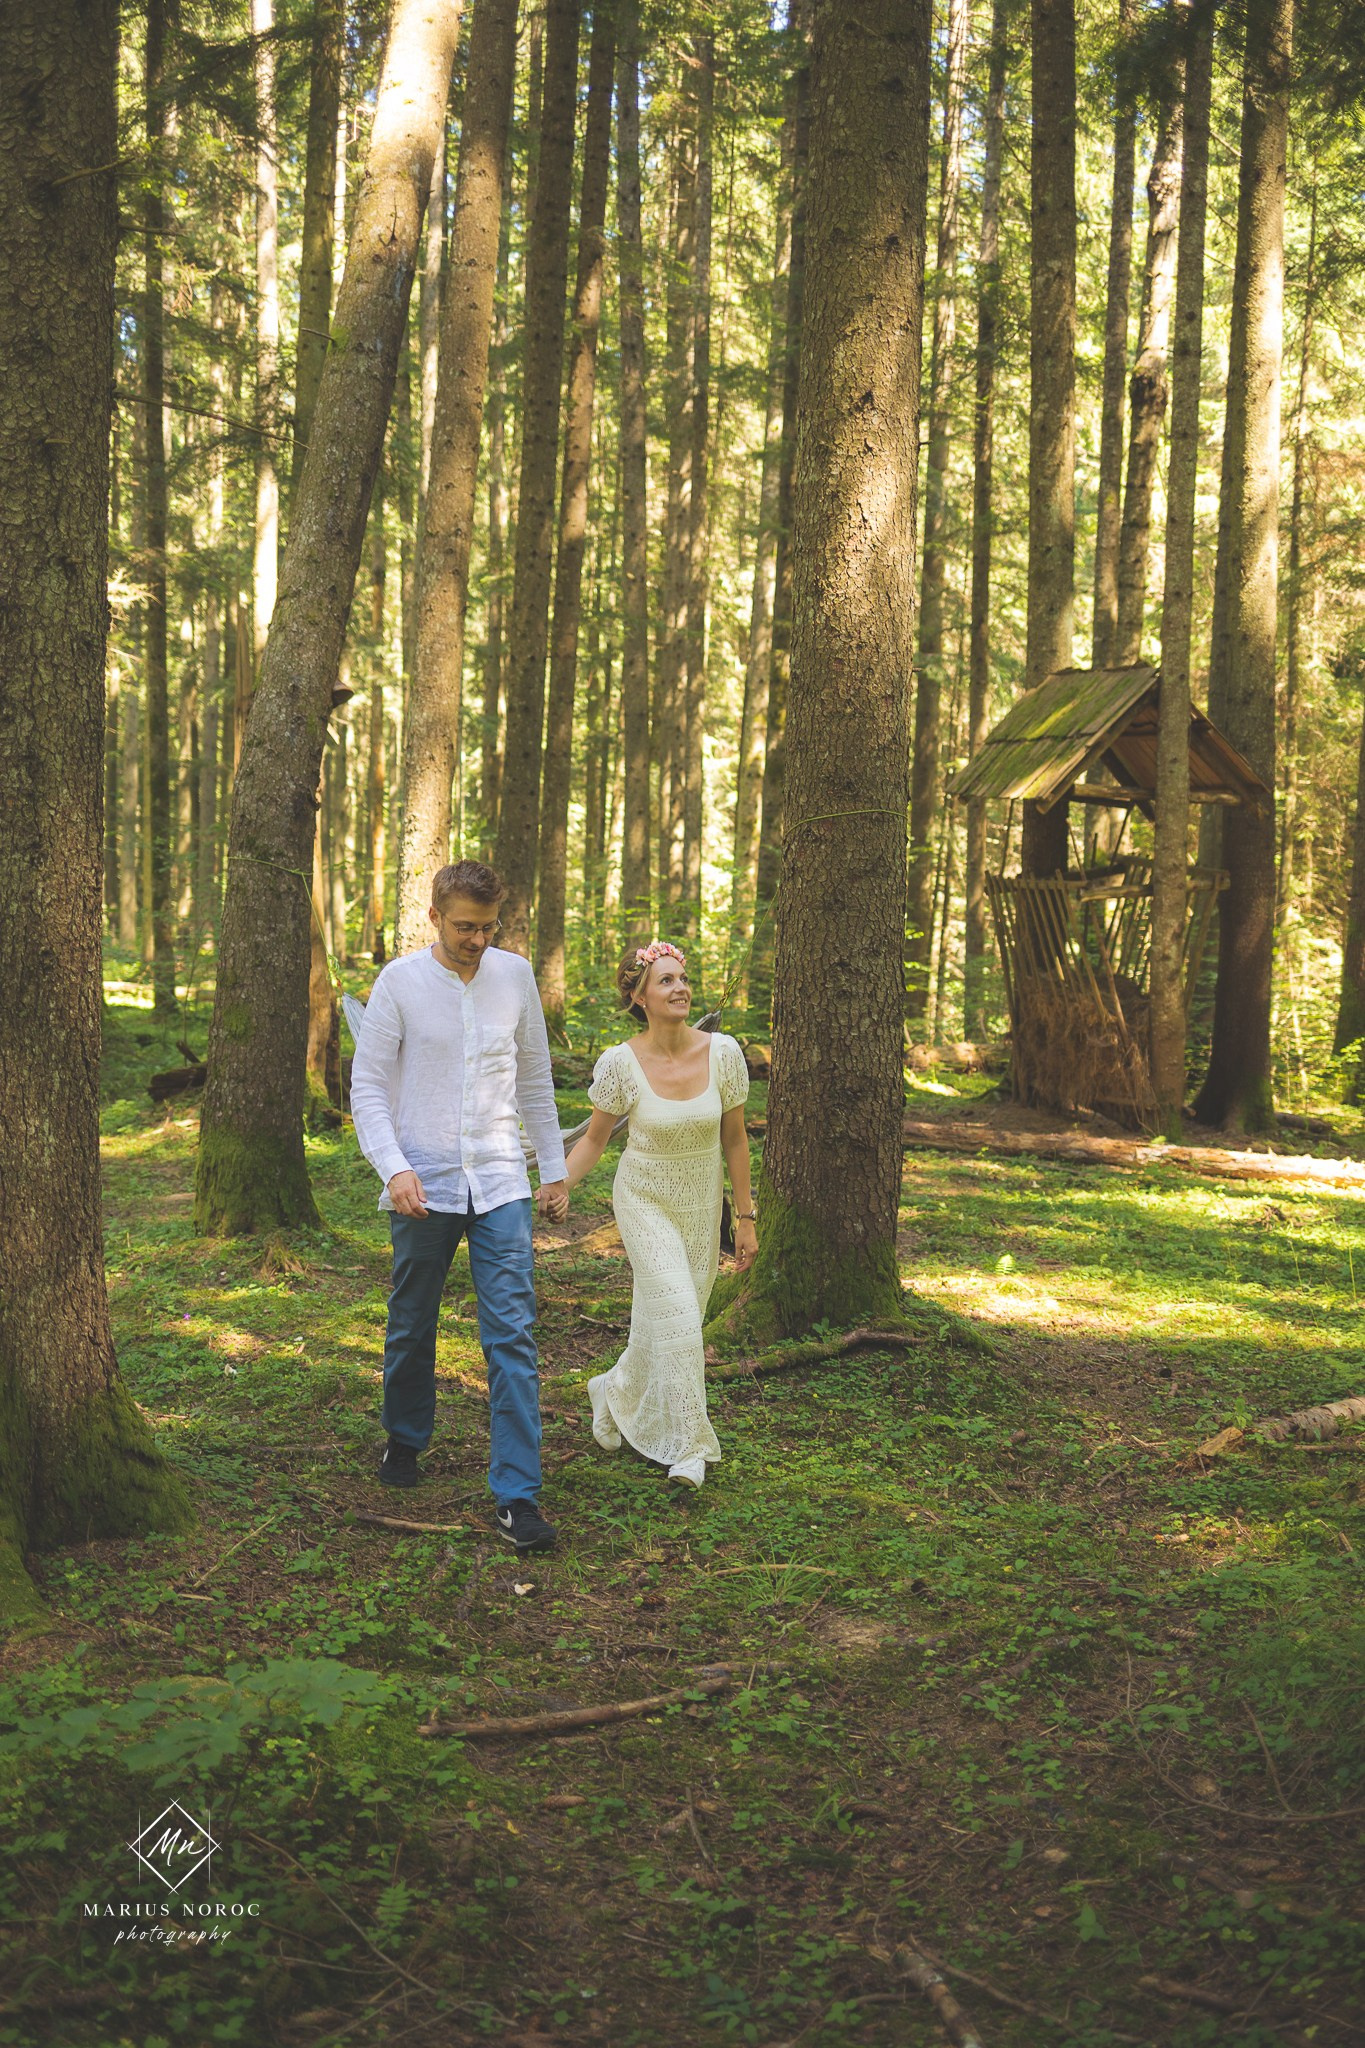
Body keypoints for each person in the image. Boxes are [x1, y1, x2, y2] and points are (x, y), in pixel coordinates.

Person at [349, 860, 568, 1555]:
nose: (477, 940)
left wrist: (554, 1169)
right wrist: (394, 1168)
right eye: (465, 927)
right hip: (424, 1182)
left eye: (488, 928)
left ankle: (517, 1494)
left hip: (500, 1180)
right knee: (412, 1321)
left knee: (512, 1333)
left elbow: (534, 1079)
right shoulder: (400, 982)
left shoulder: (514, 977)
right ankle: (404, 1437)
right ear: (435, 917)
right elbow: (368, 1086)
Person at [556, 941, 756, 1488]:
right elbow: (595, 1140)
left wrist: (745, 1217)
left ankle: (611, 1388)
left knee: (667, 1318)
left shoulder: (724, 1053)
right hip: (643, 1200)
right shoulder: (620, 1063)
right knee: (680, 1317)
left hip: (700, 1205)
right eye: (665, 980)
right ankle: (690, 1446)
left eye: (682, 978)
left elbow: (735, 1140)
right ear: (640, 997)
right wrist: (560, 1185)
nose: (680, 988)